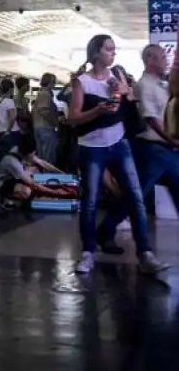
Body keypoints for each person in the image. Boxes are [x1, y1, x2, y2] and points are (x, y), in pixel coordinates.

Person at [68, 34, 166, 275]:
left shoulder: (117, 76)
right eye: (108, 49)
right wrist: (98, 110)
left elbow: (133, 104)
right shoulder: (82, 81)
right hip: (92, 146)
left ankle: (145, 253)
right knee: (90, 200)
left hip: (119, 143)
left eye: (114, 49)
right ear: (95, 53)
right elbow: (73, 117)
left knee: (135, 196)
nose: (113, 53)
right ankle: (88, 252)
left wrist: (125, 91)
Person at [98, 44, 179, 246]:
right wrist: (173, 139)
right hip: (153, 150)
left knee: (135, 196)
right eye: (162, 57)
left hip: (166, 151)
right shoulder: (144, 86)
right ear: (150, 60)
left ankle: (105, 231)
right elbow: (152, 119)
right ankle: (105, 232)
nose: (165, 61)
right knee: (133, 197)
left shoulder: (162, 86)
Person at [0, 133, 64, 208]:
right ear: (25, 154)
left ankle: (22, 191)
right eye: (31, 155)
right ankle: (5, 198)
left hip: (14, 177)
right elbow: (32, 183)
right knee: (27, 192)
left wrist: (62, 173)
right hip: (3, 183)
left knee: (35, 169)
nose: (33, 157)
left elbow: (43, 163)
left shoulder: (20, 149)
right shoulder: (12, 162)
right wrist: (54, 192)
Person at [32, 73, 59, 165]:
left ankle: (42, 176)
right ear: (49, 82)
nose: (54, 84)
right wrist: (55, 122)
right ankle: (47, 177)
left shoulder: (41, 93)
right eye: (54, 82)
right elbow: (44, 111)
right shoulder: (45, 93)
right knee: (48, 157)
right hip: (46, 128)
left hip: (39, 127)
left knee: (42, 156)